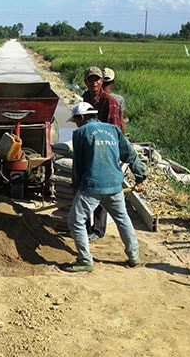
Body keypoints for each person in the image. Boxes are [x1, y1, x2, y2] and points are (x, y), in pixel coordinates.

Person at [63, 102, 147, 272]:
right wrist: (141, 177)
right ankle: (133, 255)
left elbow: (78, 164)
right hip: (115, 185)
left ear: (81, 117)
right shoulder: (113, 130)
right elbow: (130, 154)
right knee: (122, 219)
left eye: (76, 120)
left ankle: (85, 260)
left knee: (75, 220)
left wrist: (76, 186)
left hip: (92, 186)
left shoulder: (80, 133)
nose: (76, 124)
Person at [82, 66, 126, 241]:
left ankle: (98, 230)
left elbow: (115, 131)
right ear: (85, 82)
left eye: (97, 79)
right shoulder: (85, 98)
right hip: (90, 146)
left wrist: (112, 153)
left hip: (106, 146)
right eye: (90, 79)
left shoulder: (110, 102)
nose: (94, 82)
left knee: (102, 186)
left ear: (102, 82)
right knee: (86, 184)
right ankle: (84, 226)